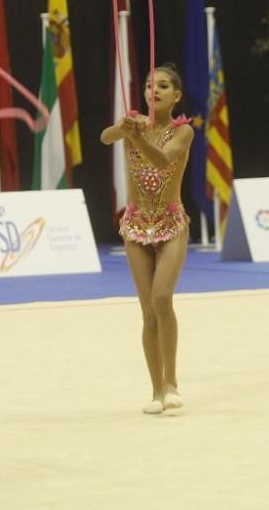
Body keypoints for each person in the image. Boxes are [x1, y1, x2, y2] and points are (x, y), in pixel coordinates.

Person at [100, 64, 193, 413]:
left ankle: (172, 382)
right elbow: (105, 137)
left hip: (170, 223)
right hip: (137, 225)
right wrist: (123, 127)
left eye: (164, 86)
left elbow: (162, 160)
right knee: (147, 311)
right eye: (150, 85)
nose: (155, 91)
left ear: (176, 96)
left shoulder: (183, 133)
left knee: (162, 297)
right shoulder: (132, 126)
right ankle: (156, 390)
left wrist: (136, 137)